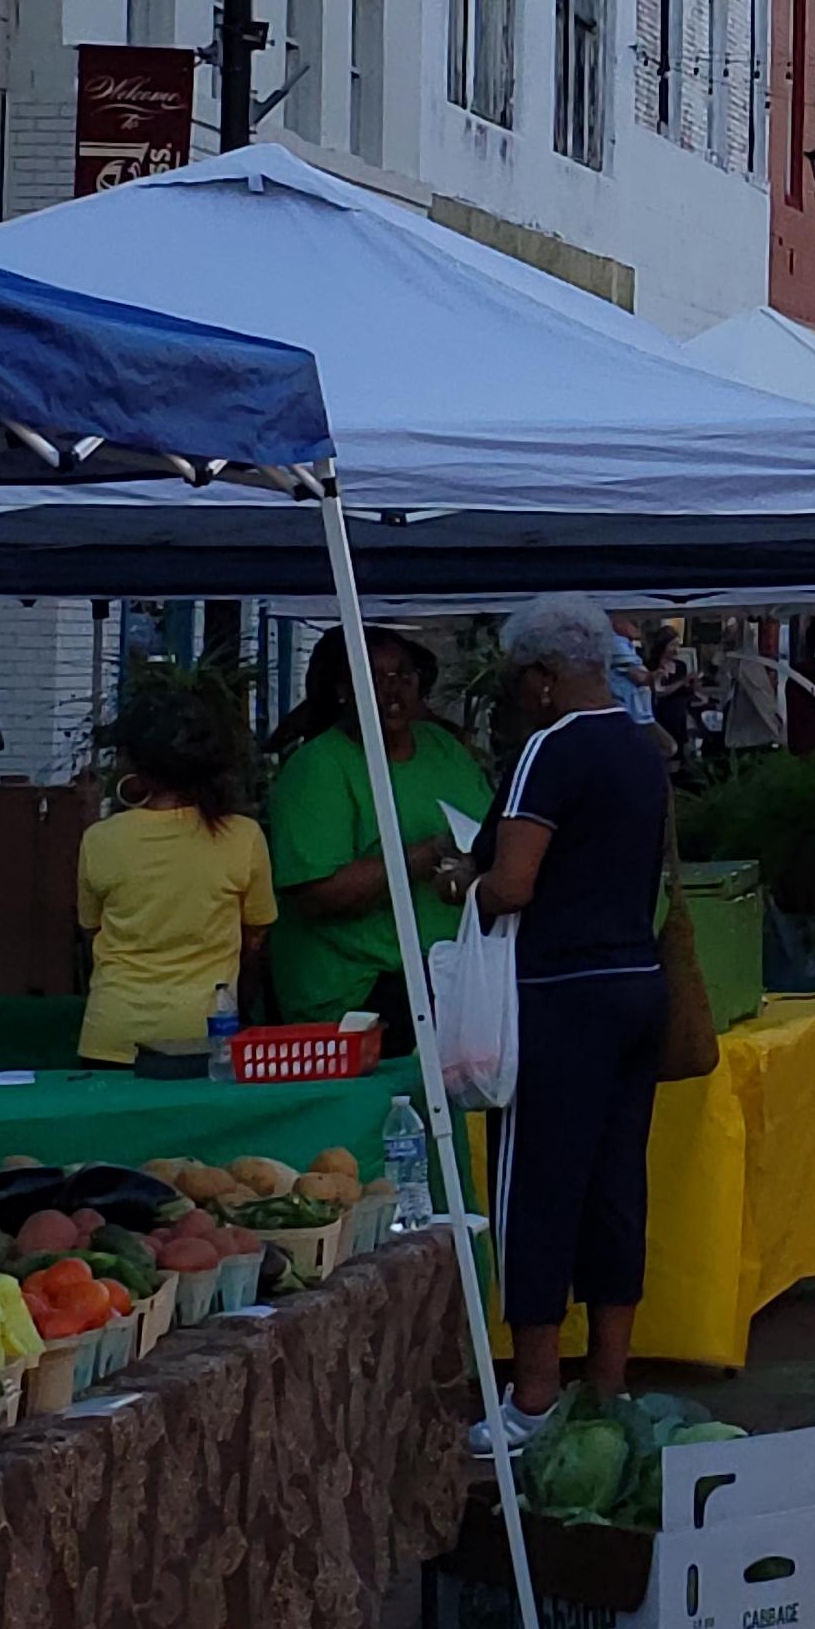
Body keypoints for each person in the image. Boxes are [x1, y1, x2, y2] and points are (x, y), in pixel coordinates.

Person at [469, 593, 678, 1437]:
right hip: (637, 978)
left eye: (524, 680)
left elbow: (514, 882)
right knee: (616, 1184)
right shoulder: (641, 746)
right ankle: (610, 1386)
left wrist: (464, 884)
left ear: (546, 678)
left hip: (560, 990)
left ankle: (533, 1398)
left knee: (539, 1188)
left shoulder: (548, 749)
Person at [265, 629, 492, 1036]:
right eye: (374, 676)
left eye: (403, 675)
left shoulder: (443, 746)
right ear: (342, 690)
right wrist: (418, 859)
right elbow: (318, 895)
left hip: (450, 966)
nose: (392, 688)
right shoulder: (317, 768)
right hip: (360, 987)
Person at [76, 682, 276, 1072]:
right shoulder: (244, 837)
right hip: (206, 1036)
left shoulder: (101, 839)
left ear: (131, 764)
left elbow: (90, 933)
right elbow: (256, 941)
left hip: (110, 1034)